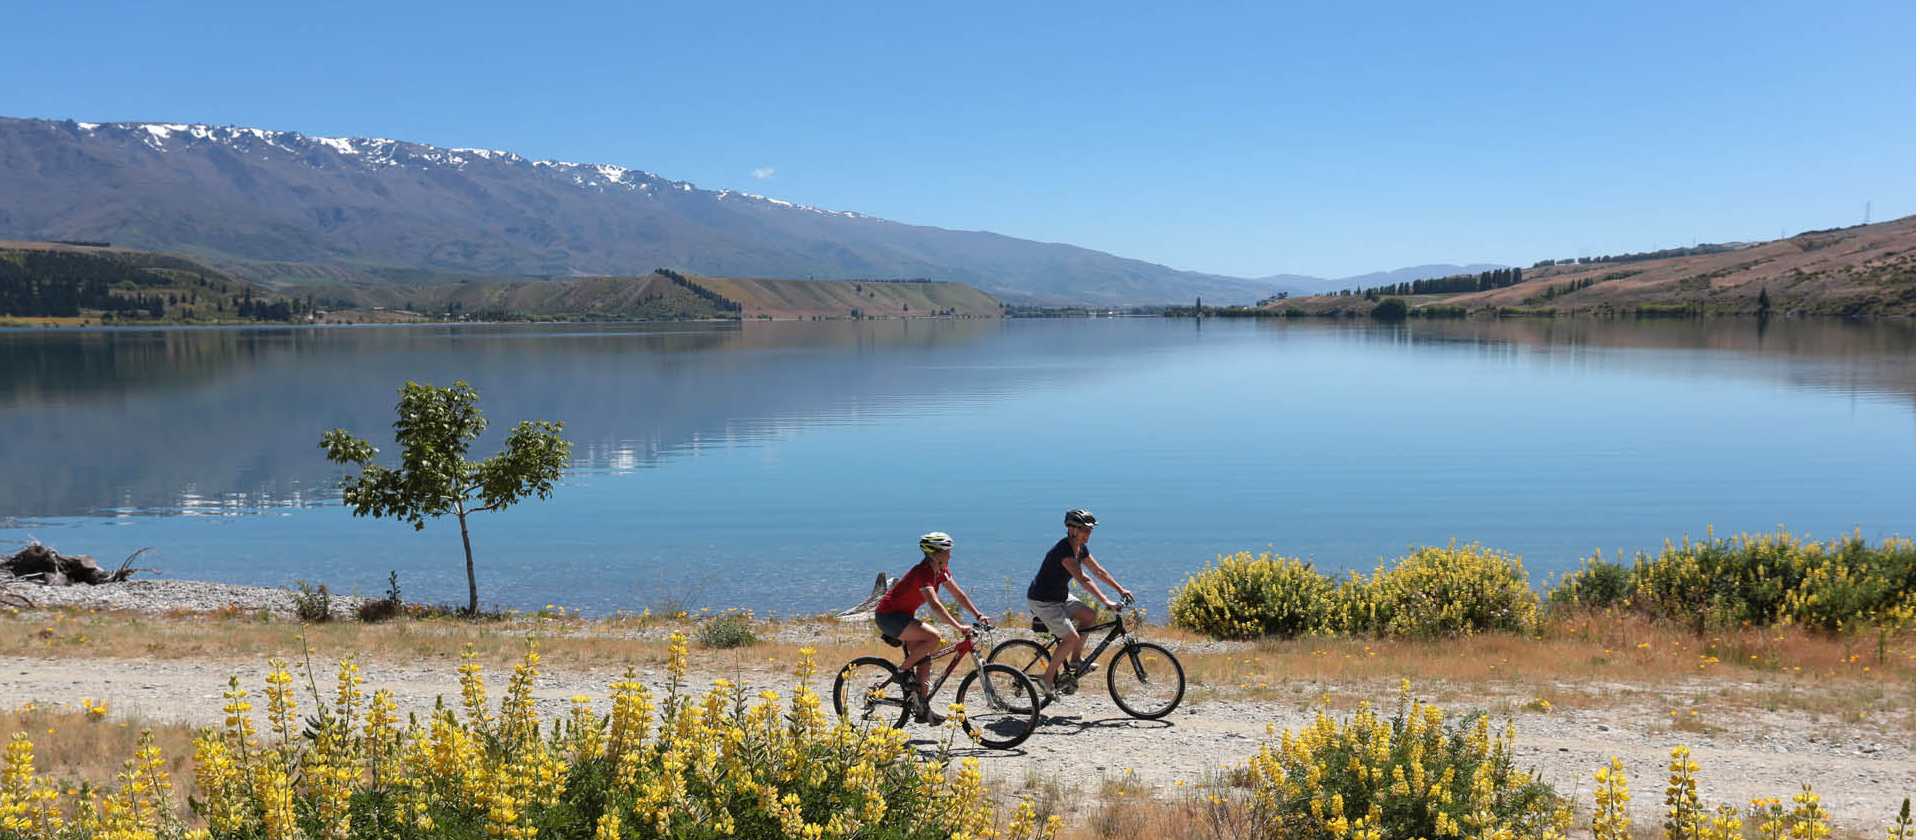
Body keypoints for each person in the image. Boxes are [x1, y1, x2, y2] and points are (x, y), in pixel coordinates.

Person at [872, 531, 991, 723]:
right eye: (947, 551)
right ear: (935, 553)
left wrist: (978, 614)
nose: (950, 555)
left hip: (904, 617)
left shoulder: (941, 571)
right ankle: (901, 672)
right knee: (934, 637)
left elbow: (958, 595)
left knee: (924, 663)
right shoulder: (923, 572)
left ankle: (922, 709)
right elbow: (935, 605)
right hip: (889, 617)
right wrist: (959, 626)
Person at [1026, 508, 1133, 695]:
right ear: (1073, 529)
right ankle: (1046, 679)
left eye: (1090, 530)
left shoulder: (1080, 548)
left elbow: (1099, 571)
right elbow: (1084, 579)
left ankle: (1075, 660)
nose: (1089, 533)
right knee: (1070, 638)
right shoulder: (1064, 552)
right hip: (1043, 600)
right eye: (1085, 530)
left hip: (1060, 596)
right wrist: (1107, 600)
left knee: (1089, 615)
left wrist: (1120, 589)